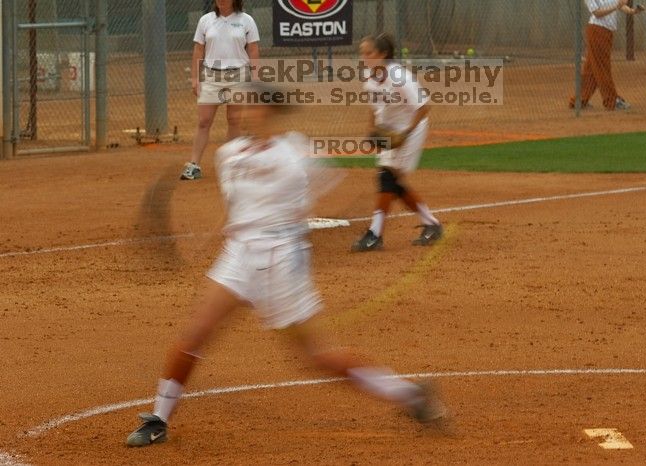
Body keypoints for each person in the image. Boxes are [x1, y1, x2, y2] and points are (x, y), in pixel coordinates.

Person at [126, 84, 446, 447]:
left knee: (317, 356)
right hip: (239, 255)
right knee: (194, 334)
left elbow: (306, 198)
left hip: (282, 258)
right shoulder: (228, 153)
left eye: (250, 105)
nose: (243, 112)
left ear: (270, 111)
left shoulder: (295, 152)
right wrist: (211, 236)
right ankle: (159, 419)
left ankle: (410, 395)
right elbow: (238, 205)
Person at [351, 33, 443, 253]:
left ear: (383, 54)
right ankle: (431, 224)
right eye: (362, 53)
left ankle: (375, 234)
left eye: (369, 53)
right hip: (388, 132)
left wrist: (406, 135)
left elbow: (423, 107)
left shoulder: (399, 77)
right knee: (392, 182)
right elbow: (374, 108)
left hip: (411, 129)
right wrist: (371, 132)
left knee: (387, 177)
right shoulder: (370, 78)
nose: (364, 57)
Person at [181, 0, 260, 181]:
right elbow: (198, 50)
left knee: (233, 120)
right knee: (204, 121)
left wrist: (255, 78)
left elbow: (254, 50)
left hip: (238, 75)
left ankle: (232, 165)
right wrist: (195, 77)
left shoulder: (246, 20)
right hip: (211, 75)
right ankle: (193, 165)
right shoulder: (206, 21)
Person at [569, 0, 645, 111]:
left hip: (607, 31)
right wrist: (616, 6)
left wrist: (633, 11)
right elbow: (597, 13)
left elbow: (620, 5)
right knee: (603, 67)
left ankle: (579, 100)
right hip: (597, 30)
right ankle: (612, 100)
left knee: (591, 69)